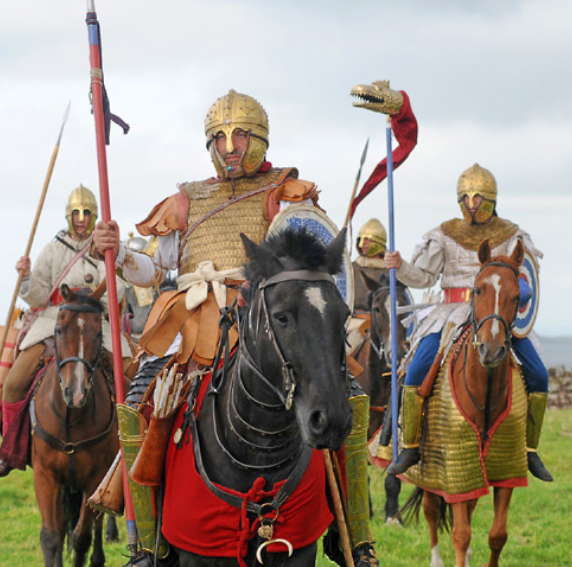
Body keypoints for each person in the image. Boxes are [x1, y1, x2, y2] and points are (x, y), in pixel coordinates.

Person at [92, 90, 379, 567]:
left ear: (259, 139)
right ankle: (147, 543)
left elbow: (312, 260)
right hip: (195, 322)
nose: (230, 146)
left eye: (240, 135)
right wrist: (118, 251)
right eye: (220, 137)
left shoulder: (283, 193)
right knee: (143, 397)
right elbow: (155, 268)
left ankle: (356, 535)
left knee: (345, 393)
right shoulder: (187, 200)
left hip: (266, 317)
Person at [384, 163, 552, 482]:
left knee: (538, 375)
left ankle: (530, 450)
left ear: (491, 199)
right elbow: (423, 278)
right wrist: (400, 265)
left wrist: (519, 292)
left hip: (497, 312)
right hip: (450, 313)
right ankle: (411, 446)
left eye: (479, 198)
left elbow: (528, 276)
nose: (472, 205)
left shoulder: (512, 235)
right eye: (466, 198)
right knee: (417, 370)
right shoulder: (444, 234)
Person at [0, 185, 131, 478]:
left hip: (93, 320)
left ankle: (131, 451)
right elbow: (39, 294)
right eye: (76, 213)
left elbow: (115, 292)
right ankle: (13, 451)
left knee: (131, 374)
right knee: (13, 383)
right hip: (53, 320)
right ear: (69, 215)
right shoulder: (53, 249)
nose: (81, 218)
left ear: (94, 216)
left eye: (87, 212)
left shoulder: (103, 250)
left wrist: (93, 301)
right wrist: (26, 277)